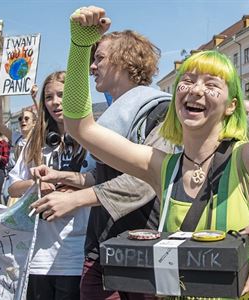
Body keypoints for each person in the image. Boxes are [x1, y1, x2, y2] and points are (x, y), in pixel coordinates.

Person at [52, 6, 249, 296]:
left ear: (231, 105)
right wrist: (80, 46)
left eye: (211, 84)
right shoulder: (161, 167)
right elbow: (81, 126)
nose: (195, 90)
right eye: (188, 80)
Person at [30, 30, 175, 300]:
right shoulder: (112, 114)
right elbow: (107, 175)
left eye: (99, 58)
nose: (92, 67)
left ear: (124, 60)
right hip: (102, 246)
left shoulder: (161, 111)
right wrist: (66, 177)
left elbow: (146, 179)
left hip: (146, 248)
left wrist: (76, 200)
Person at [7, 71, 95, 300]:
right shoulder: (34, 143)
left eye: (61, 95)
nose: (55, 102)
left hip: (76, 253)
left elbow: (104, 180)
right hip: (37, 256)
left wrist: (62, 179)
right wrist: (37, 183)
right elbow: (12, 186)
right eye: (49, 97)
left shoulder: (94, 139)